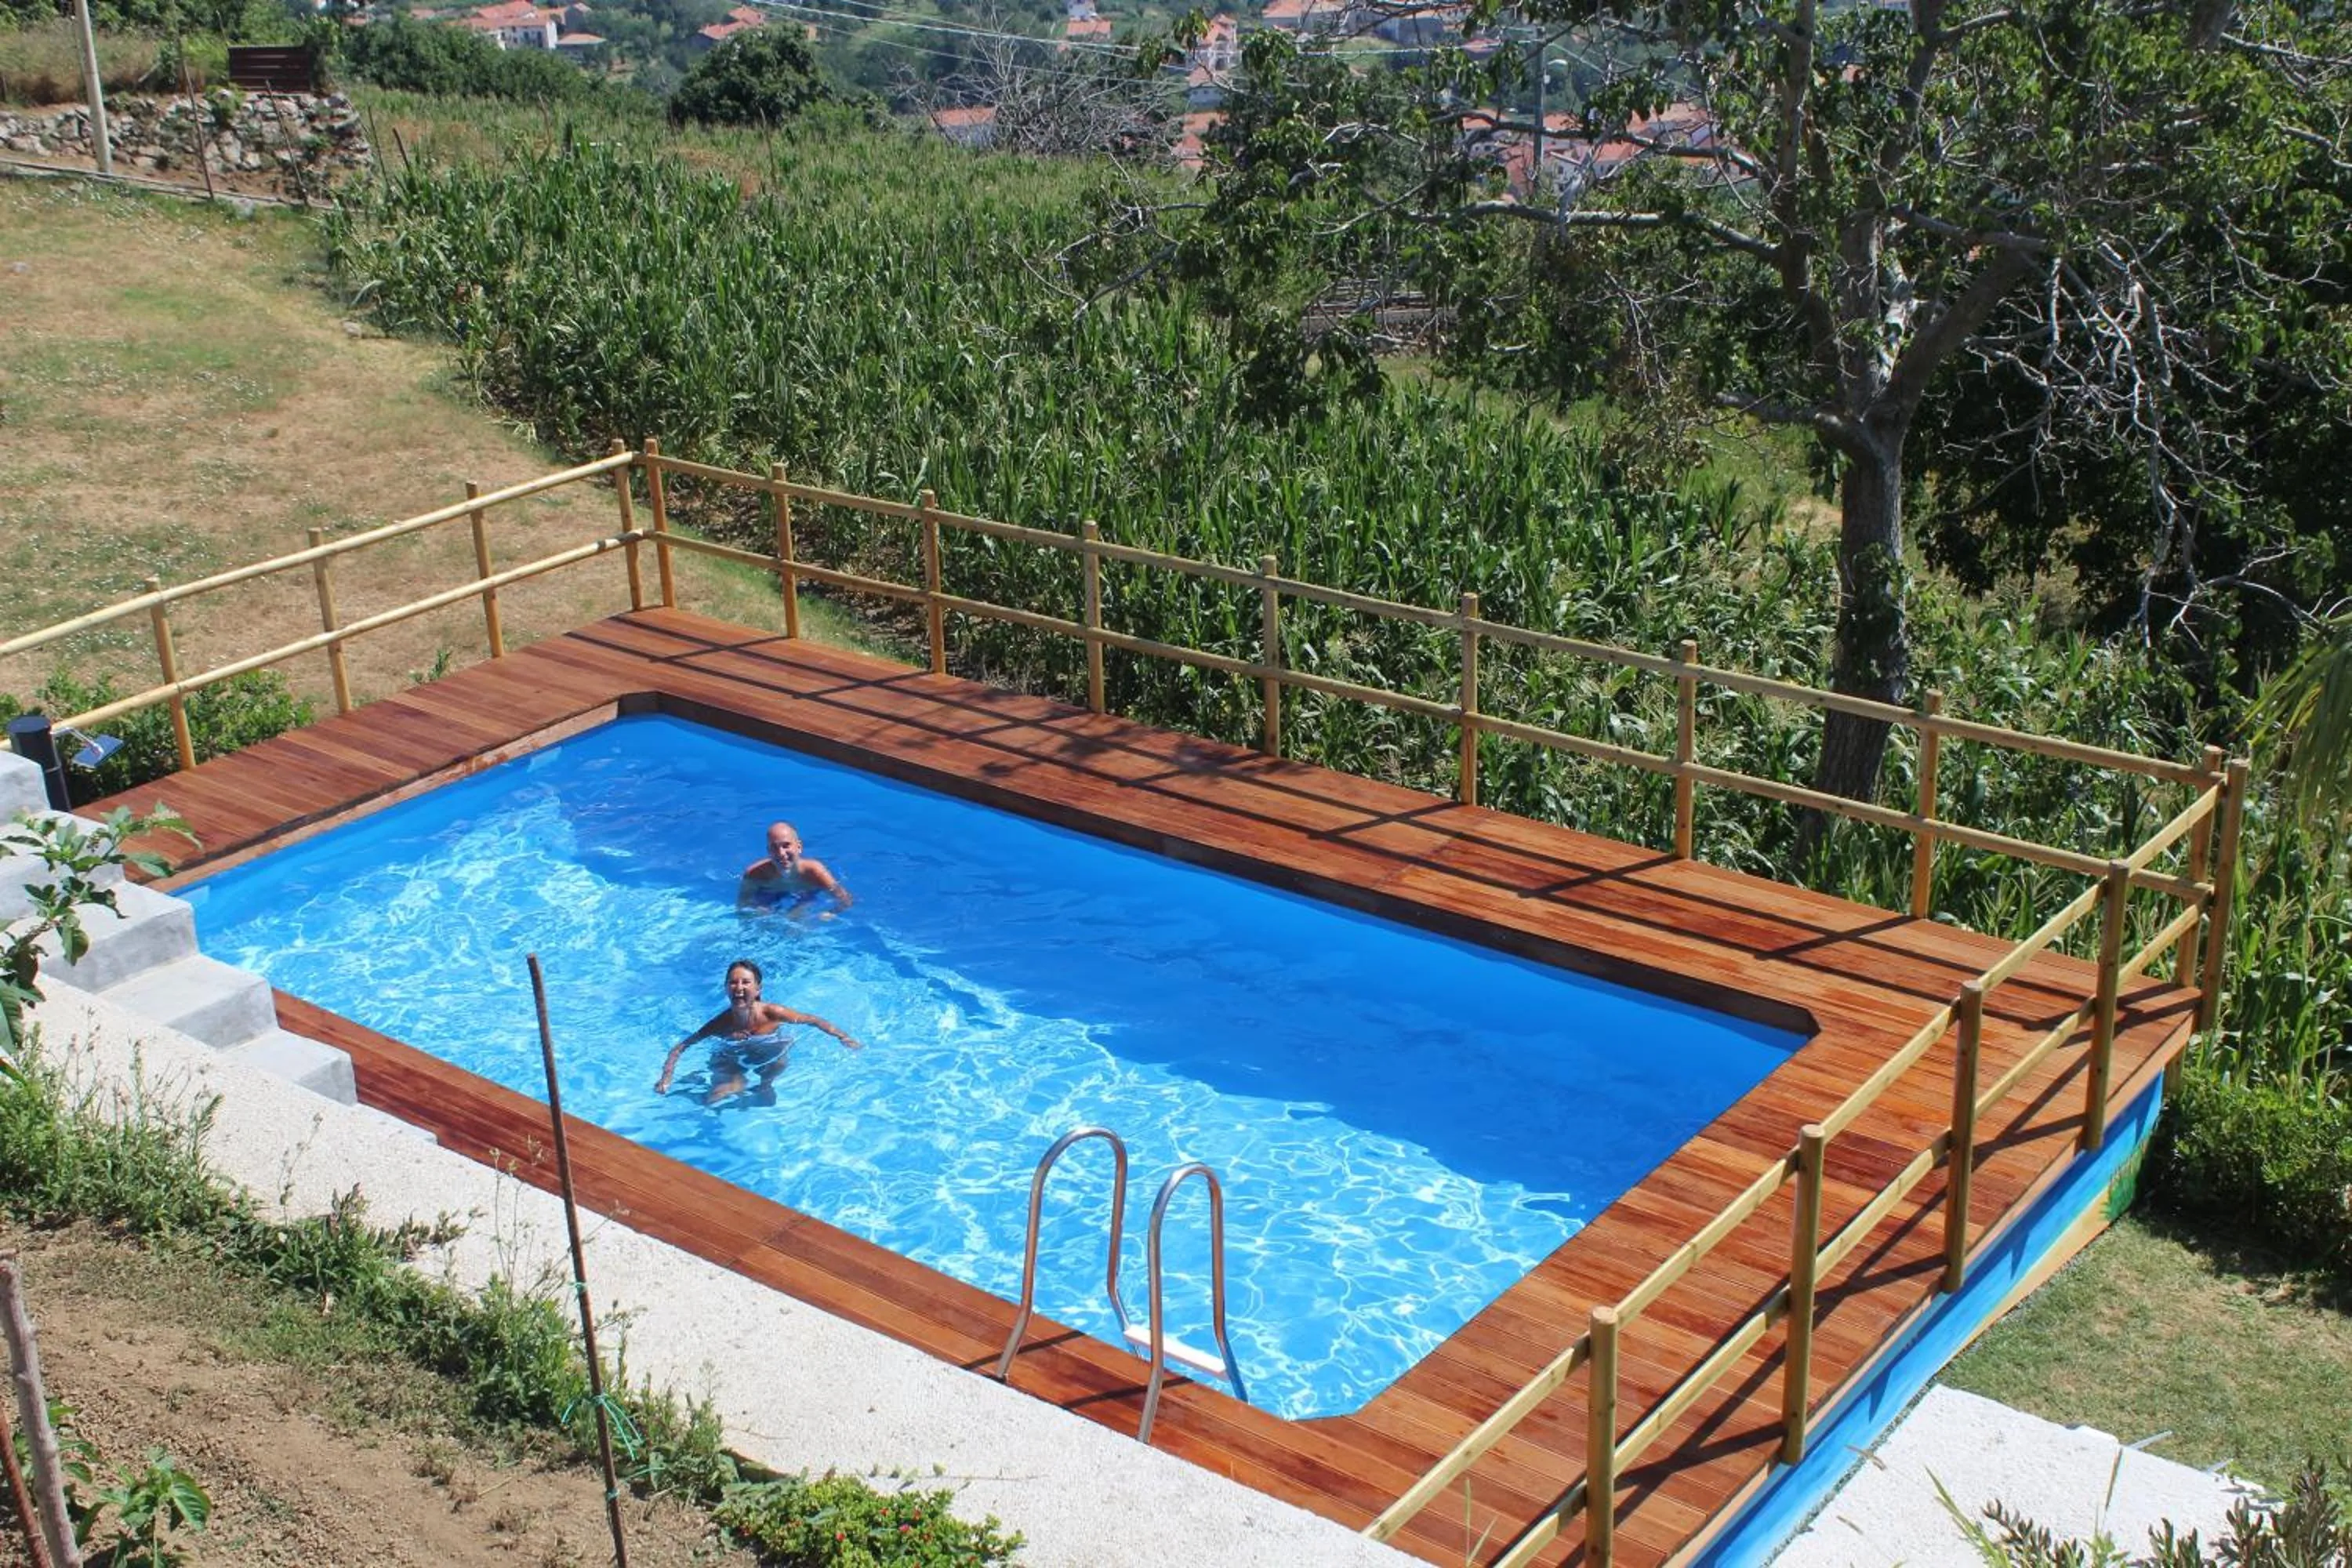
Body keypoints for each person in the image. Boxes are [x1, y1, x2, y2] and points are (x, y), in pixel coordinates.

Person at [654, 958, 862, 1105]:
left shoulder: (773, 1013)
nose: (739, 987)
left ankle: (765, 1084)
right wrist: (666, 1077)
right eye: (733, 982)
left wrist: (844, 1037)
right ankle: (701, 1082)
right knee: (715, 1099)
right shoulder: (721, 1023)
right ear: (726, 988)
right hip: (732, 1058)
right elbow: (680, 1048)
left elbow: (813, 1020)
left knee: (782, 1046)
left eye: (746, 982)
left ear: (758, 989)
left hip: (768, 1056)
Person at [737, 821, 852, 916]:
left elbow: (845, 900)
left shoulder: (814, 872)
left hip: (806, 894)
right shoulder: (755, 874)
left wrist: (831, 913)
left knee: (796, 918)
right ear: (769, 852)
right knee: (760, 914)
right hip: (770, 893)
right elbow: (742, 906)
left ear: (799, 847)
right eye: (774, 848)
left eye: (786, 845)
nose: (781, 853)